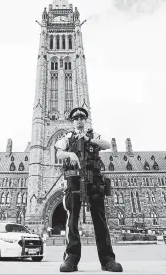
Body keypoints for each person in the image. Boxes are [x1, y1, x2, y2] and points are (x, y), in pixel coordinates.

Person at [55, 107, 123, 272]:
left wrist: (89, 140)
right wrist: (70, 154)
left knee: (100, 219)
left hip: (93, 179)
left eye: (82, 118)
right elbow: (58, 153)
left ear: (85, 121)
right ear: (73, 121)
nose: (79, 121)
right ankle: (71, 258)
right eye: (76, 118)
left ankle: (107, 260)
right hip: (74, 179)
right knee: (72, 219)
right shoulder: (67, 137)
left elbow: (106, 144)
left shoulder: (93, 136)